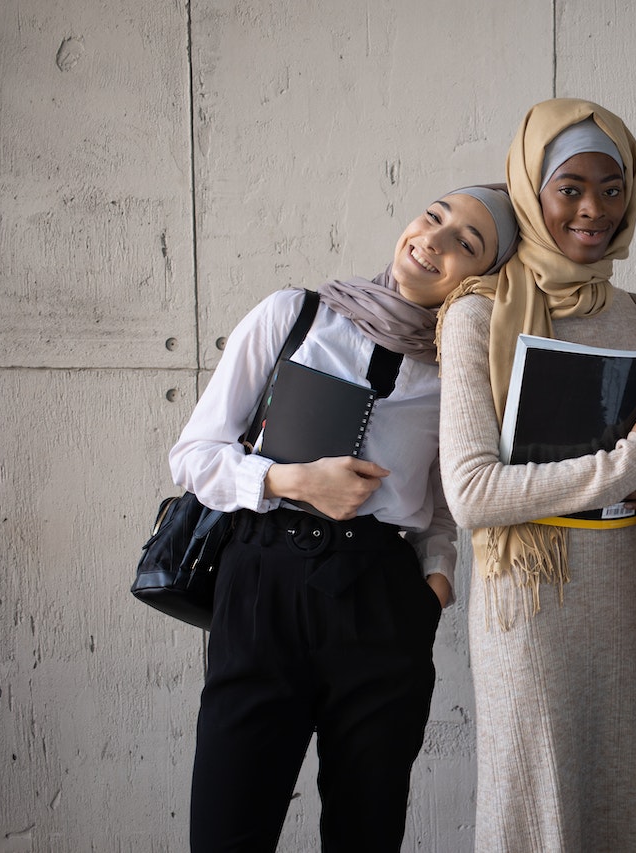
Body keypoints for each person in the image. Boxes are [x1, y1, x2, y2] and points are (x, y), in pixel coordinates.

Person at [168, 184, 518, 852]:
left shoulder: (459, 371)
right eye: (434, 217)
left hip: (382, 601)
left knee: (368, 831)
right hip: (262, 582)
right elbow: (194, 456)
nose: (434, 241)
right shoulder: (295, 316)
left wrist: (434, 586)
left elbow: (444, 506)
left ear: (486, 277)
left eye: (466, 243)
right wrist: (287, 479)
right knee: (228, 826)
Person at [436, 98, 636, 852]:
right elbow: (473, 493)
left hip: (626, 594)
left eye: (612, 188)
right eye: (569, 187)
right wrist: (629, 463)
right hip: (531, 607)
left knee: (624, 807)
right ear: (530, 190)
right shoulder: (478, 314)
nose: (593, 209)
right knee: (535, 811)